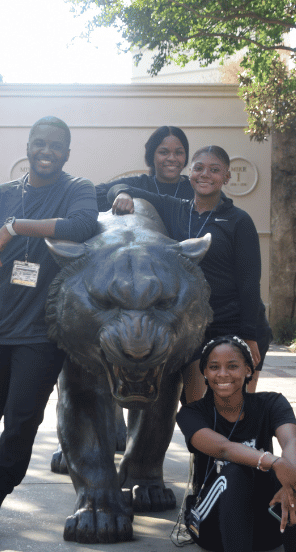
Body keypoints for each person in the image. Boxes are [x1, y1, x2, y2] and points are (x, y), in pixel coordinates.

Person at [0, 116, 99, 544]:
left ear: (67, 151)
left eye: (56, 146)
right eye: (40, 144)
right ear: (28, 146)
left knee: (21, 422)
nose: (47, 152)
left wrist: (16, 228)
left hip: (41, 336)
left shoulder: (76, 189)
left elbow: (83, 226)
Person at [176, 335, 296, 552]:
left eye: (232, 366)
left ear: (249, 371)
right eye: (214, 367)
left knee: (295, 490)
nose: (223, 374)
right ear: (204, 373)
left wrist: (291, 479)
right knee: (236, 471)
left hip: (264, 530)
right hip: (211, 526)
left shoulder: (271, 403)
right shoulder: (191, 413)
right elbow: (224, 449)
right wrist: (274, 463)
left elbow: (292, 441)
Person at [107, 145, 272, 400]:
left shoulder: (239, 221)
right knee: (197, 411)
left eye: (215, 170)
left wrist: (249, 338)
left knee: (234, 409)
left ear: (226, 177)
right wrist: (123, 193)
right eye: (199, 168)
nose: (206, 174)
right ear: (190, 173)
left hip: (234, 323)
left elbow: (250, 283)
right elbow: (118, 188)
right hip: (193, 326)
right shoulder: (174, 208)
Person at [93, 125, 194, 212]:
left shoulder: (195, 188)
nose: (172, 158)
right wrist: (120, 193)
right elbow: (91, 193)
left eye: (179, 153)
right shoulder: (139, 184)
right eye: (164, 152)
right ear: (151, 156)